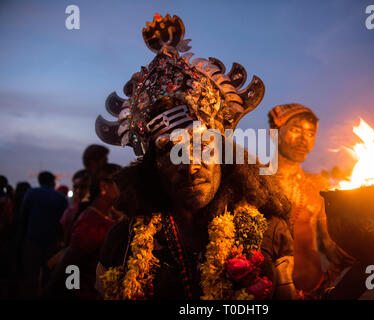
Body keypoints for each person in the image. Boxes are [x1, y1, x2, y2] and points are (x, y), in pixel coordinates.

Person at [94, 14, 296, 300]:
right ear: (151, 166)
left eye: (203, 144)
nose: (189, 165)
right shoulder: (122, 242)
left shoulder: (269, 232)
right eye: (169, 150)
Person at [268, 103, 355, 299]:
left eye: (310, 133)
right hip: (267, 293)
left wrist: (355, 249)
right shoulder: (256, 181)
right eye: (296, 130)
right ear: (274, 132)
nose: (303, 140)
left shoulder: (318, 185)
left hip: (314, 288)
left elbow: (328, 244)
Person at [43, 164, 122, 299]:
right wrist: (73, 294)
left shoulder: (110, 215)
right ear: (104, 187)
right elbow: (71, 266)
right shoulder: (90, 223)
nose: (124, 190)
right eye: (120, 183)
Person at [18, 171, 68, 298]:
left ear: (39, 181)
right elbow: (65, 223)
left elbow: (23, 217)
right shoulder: (61, 198)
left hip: (32, 240)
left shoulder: (31, 193)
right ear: (52, 182)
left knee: (32, 276)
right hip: (53, 242)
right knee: (50, 275)